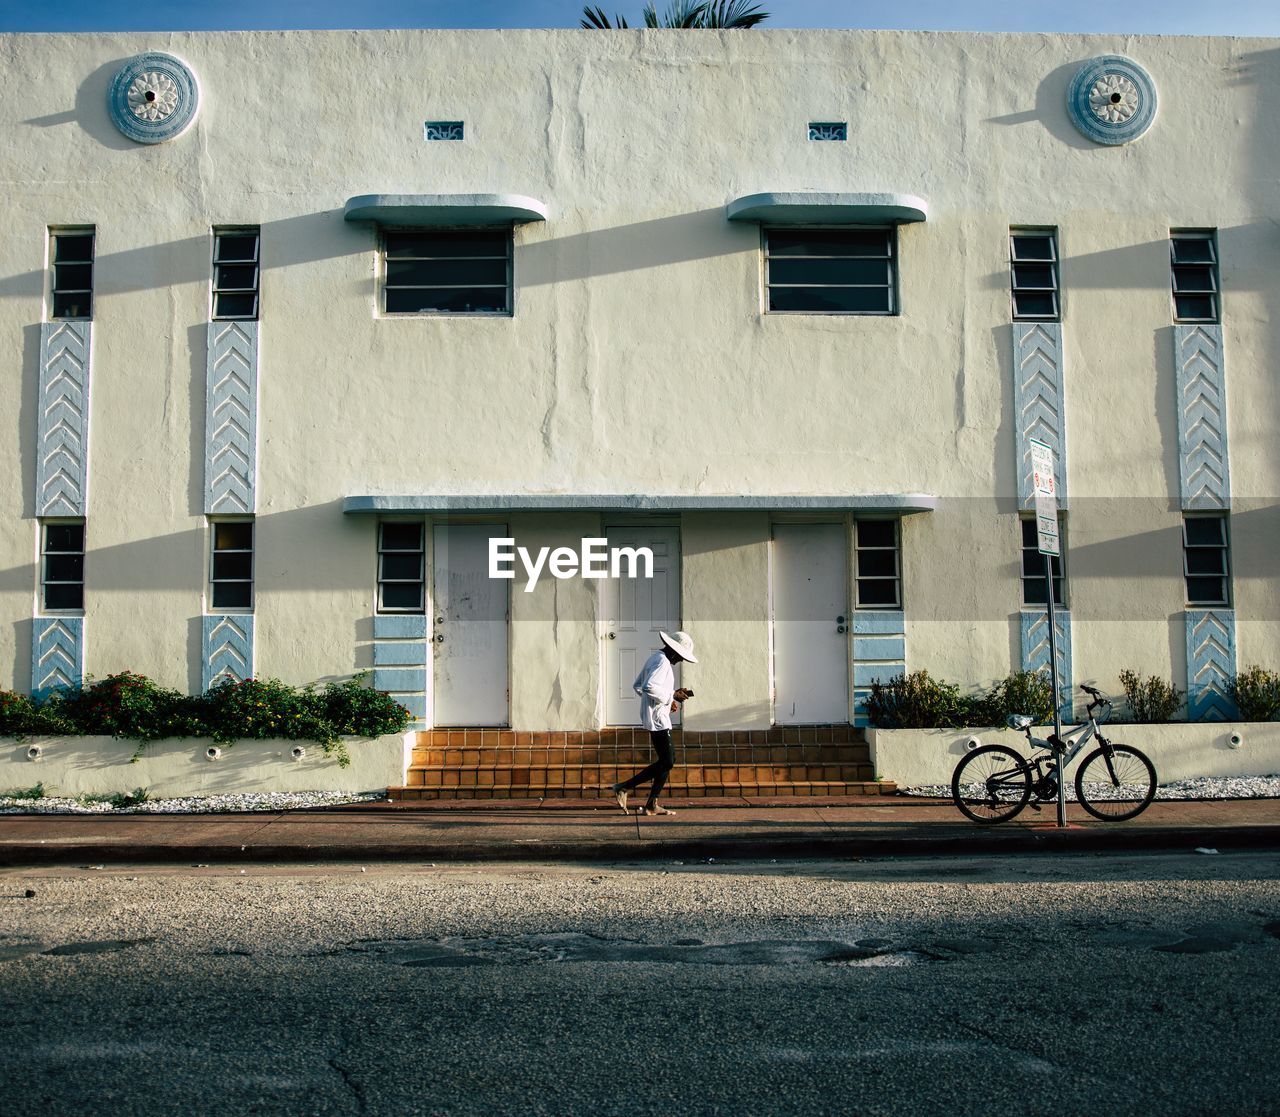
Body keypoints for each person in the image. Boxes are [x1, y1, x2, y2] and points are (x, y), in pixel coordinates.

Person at [611, 630, 697, 817]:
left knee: (667, 761)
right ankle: (624, 787)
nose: (681, 660)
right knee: (668, 761)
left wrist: (668, 700)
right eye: (681, 657)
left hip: (657, 717)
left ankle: (651, 804)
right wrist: (671, 695)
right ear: (674, 651)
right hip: (658, 721)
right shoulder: (663, 661)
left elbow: (638, 685)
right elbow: (648, 687)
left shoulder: (655, 657)